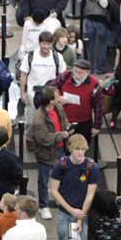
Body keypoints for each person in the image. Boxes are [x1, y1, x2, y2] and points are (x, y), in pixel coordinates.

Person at [49, 134, 100, 240]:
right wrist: (71, 210)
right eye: (77, 149)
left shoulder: (92, 167)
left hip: (81, 215)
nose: (81, 152)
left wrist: (80, 217)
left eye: (83, 149)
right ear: (70, 148)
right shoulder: (61, 165)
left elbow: (90, 195)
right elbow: (54, 190)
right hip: (65, 213)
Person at [30, 87, 70, 217]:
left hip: (61, 149)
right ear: (51, 101)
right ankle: (43, 206)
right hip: (46, 154)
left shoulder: (59, 108)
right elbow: (45, 139)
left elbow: (64, 120)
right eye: (57, 95)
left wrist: (68, 126)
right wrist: (63, 134)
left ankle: (60, 199)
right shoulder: (39, 118)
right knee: (44, 180)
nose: (60, 96)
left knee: (63, 177)